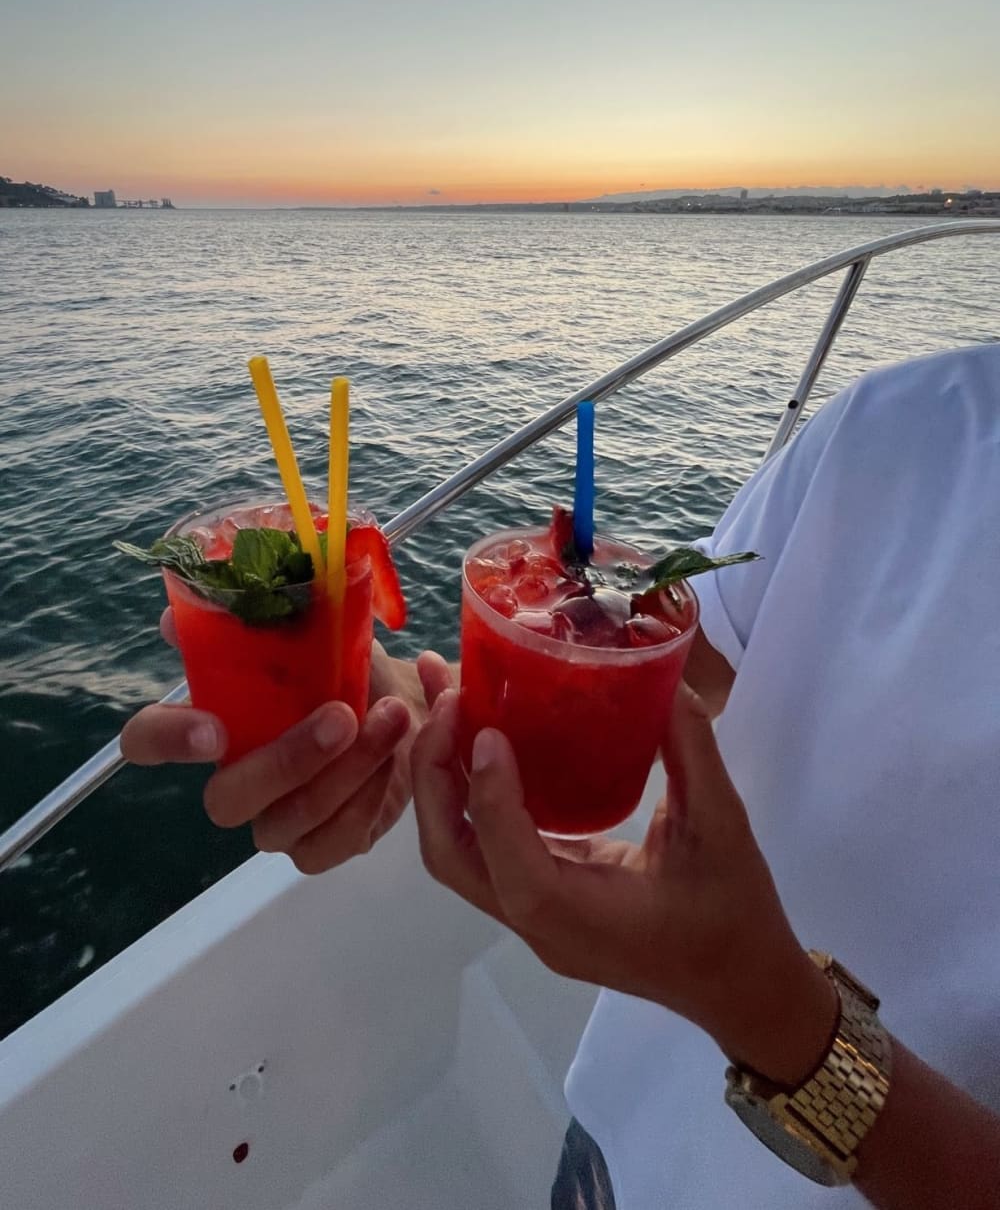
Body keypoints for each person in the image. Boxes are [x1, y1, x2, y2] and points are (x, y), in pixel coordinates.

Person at [121, 343, 1000, 1208]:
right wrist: (393, 714)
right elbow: (676, 656)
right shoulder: (904, 419)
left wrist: (763, 1005)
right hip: (621, 1122)